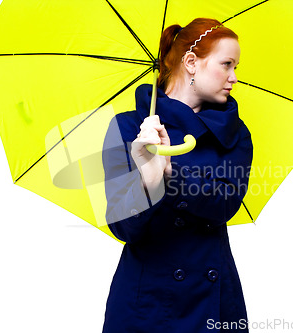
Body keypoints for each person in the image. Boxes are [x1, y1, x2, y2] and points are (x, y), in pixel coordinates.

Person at [101, 18, 253, 333]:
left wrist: (171, 173)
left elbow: (225, 204)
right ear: (191, 62)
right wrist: (148, 180)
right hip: (145, 304)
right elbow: (122, 226)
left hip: (214, 303)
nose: (234, 77)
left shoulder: (235, 134)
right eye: (226, 65)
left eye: (235, 66)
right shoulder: (128, 127)